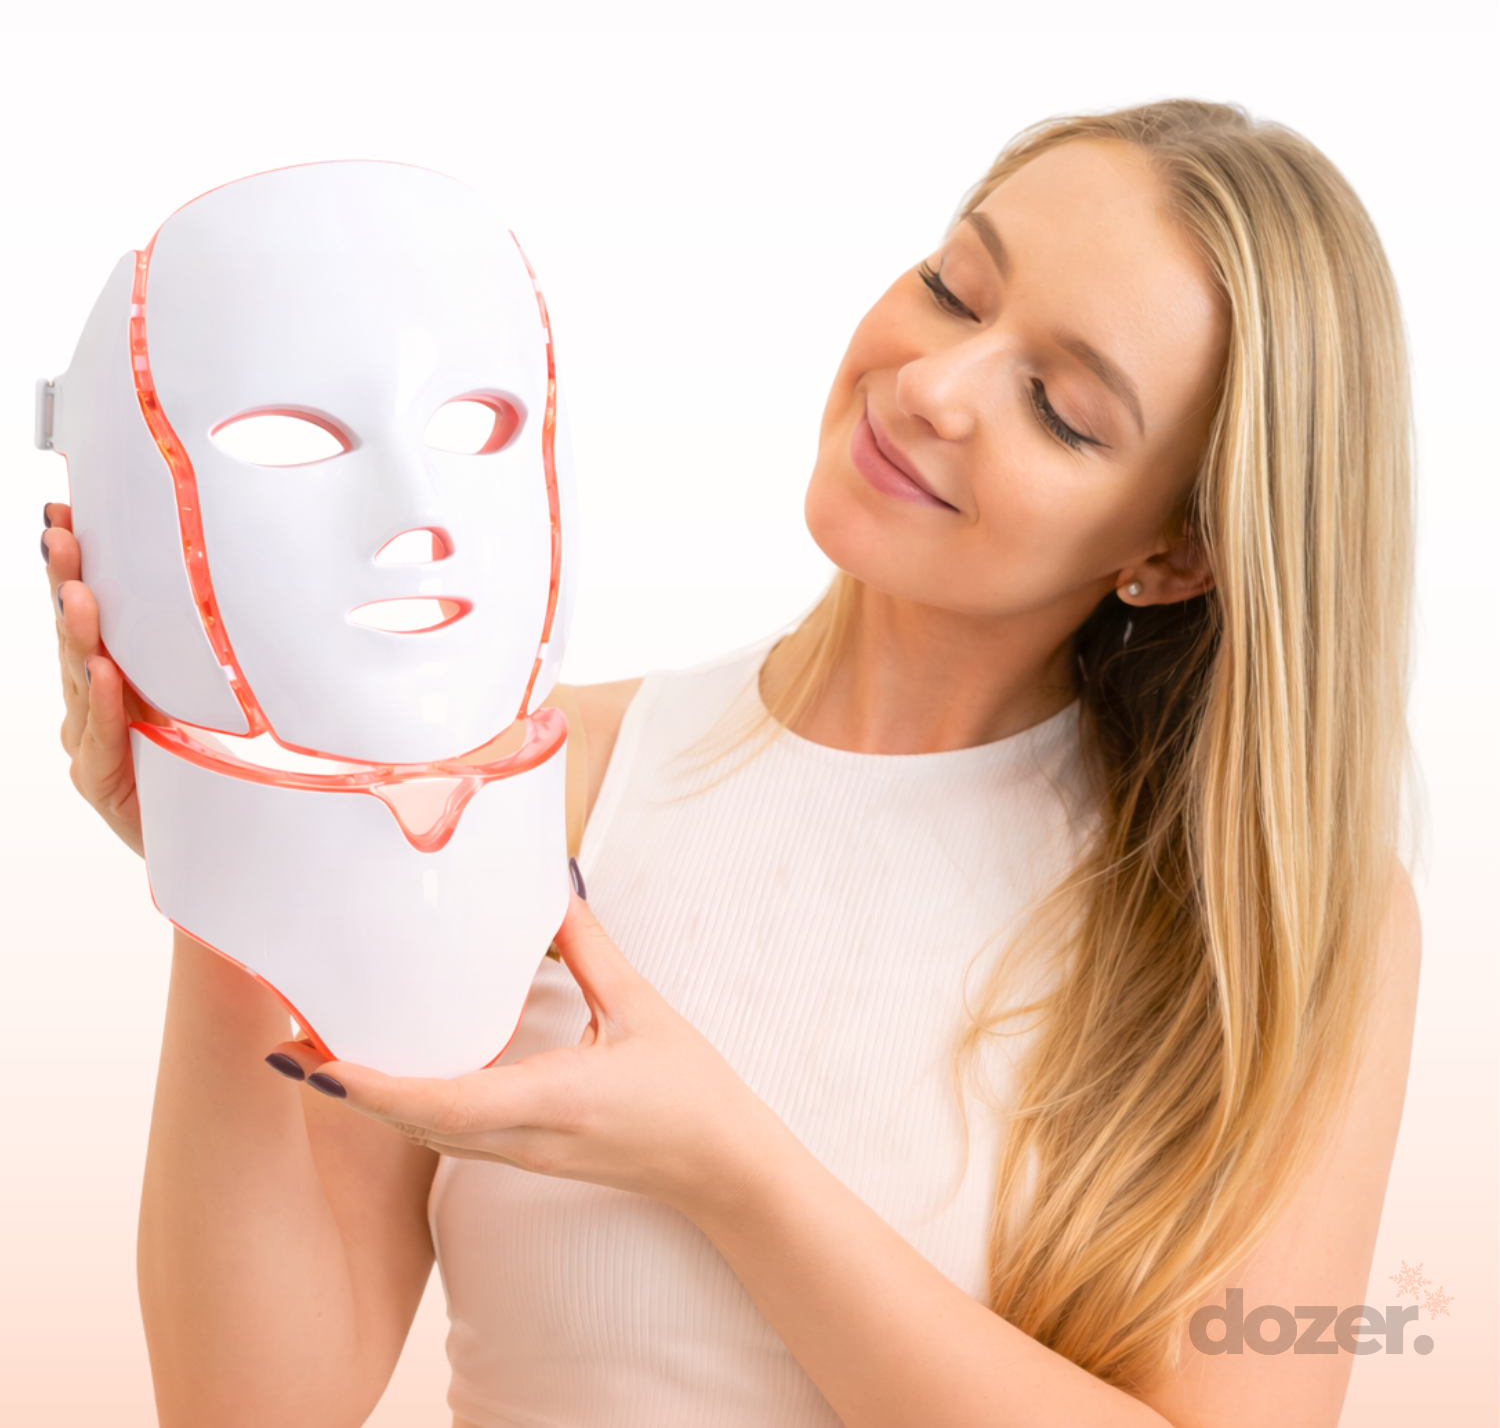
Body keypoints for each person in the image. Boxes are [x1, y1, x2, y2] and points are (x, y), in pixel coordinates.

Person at [42, 99, 1419, 1428]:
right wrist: (235, 837)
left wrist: (726, 1167)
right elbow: (251, 1406)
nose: (932, 387)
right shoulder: (530, 785)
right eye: (952, 288)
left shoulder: (1284, 924)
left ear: (1174, 551)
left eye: (1059, 407)